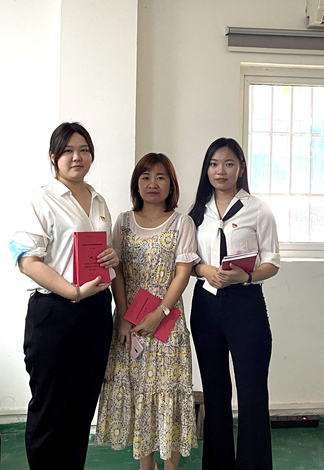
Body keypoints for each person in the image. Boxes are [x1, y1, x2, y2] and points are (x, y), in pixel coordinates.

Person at [8, 122, 119, 470]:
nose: (77, 157)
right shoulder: (42, 199)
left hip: (96, 312)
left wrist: (111, 258)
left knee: (81, 410)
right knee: (50, 409)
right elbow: (27, 261)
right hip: (55, 313)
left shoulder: (99, 200)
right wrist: (72, 291)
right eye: (68, 151)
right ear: (54, 157)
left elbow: (98, 253)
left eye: (84, 150)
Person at [96, 153, 199, 470]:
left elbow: (182, 274)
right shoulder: (123, 222)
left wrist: (161, 312)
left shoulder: (182, 223)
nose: (153, 183)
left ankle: (171, 466)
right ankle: (146, 465)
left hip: (167, 325)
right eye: (145, 177)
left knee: (168, 394)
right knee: (140, 392)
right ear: (136, 184)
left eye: (160, 177)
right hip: (130, 324)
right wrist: (124, 317)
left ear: (171, 185)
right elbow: (118, 271)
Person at [188, 137, 280, 470]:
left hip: (246, 306)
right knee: (215, 393)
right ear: (206, 169)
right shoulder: (197, 212)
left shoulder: (258, 209)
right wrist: (204, 270)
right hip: (206, 307)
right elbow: (189, 260)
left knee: (252, 392)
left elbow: (273, 262)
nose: (220, 170)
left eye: (228, 163)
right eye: (214, 164)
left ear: (240, 168)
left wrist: (247, 276)